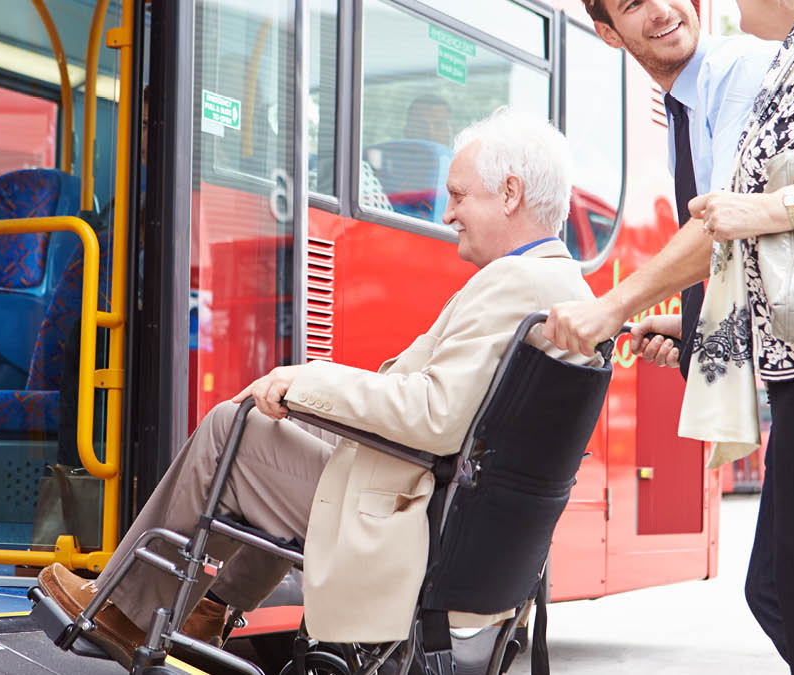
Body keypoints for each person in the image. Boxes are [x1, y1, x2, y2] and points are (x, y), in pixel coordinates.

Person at [37, 107, 598, 668]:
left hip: (415, 525)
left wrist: (306, 378)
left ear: (510, 193)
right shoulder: (564, 285)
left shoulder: (512, 283)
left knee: (231, 430)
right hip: (460, 524)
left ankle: (123, 611)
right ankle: (210, 611)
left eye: (458, 195)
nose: (447, 213)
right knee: (283, 424)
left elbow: (435, 415)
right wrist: (309, 402)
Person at [553, 0, 794, 671]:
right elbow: (778, 248)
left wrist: (764, 208)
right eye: (631, 3)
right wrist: (704, 323)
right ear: (608, 30)